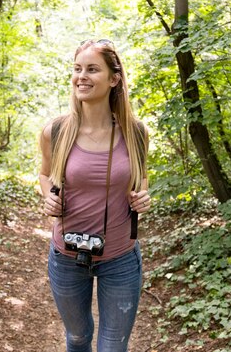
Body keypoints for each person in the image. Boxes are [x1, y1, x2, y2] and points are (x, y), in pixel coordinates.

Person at [38, 39, 151, 352]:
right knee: (77, 338)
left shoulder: (135, 131)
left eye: (91, 69)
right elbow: (45, 175)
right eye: (77, 69)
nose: (81, 76)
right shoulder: (57, 130)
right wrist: (48, 196)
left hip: (121, 258)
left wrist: (143, 196)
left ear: (114, 79)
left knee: (113, 346)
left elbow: (141, 180)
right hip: (67, 256)